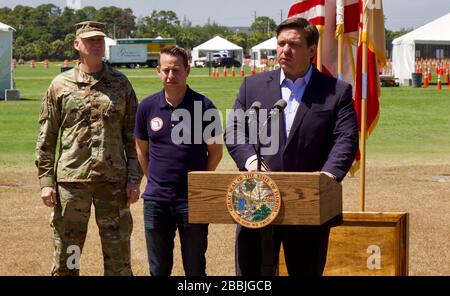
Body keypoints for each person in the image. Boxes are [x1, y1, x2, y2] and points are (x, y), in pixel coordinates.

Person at [225, 17, 359, 276]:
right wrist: (251, 160)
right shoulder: (252, 86)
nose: (285, 50)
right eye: (281, 43)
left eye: (293, 45)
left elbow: (345, 138)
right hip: (256, 199)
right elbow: (234, 130)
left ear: (311, 50)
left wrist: (327, 178)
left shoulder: (336, 91)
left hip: (308, 203)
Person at [35, 21, 142, 276]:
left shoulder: (120, 84)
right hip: (72, 183)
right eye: (90, 40)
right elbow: (47, 136)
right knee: (68, 257)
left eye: (100, 40)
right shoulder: (60, 86)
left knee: (118, 260)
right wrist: (46, 181)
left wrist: (134, 179)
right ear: (76, 45)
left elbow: (133, 136)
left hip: (113, 182)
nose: (96, 44)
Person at [134, 46, 223, 276]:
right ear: (158, 72)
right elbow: (141, 150)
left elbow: (215, 152)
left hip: (192, 200)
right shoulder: (146, 107)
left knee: (195, 268)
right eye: (166, 70)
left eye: (176, 70)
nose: (170, 75)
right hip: (156, 201)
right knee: (158, 268)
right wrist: (153, 178)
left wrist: (199, 182)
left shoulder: (204, 106)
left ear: (187, 70)